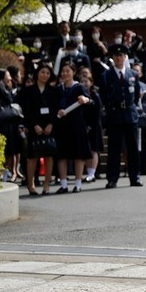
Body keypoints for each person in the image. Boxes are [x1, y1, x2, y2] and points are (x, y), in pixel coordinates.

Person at [100, 44, 144, 188]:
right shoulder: (106, 75)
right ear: (112, 58)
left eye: (121, 55)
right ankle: (112, 178)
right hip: (115, 114)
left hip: (130, 114)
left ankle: (135, 177)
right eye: (115, 56)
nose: (118, 58)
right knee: (114, 148)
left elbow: (136, 94)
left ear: (125, 57)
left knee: (132, 148)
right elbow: (104, 96)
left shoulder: (133, 74)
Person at [18, 63, 58, 195]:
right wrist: (34, 125)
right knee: (32, 157)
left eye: (47, 73)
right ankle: (31, 184)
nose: (45, 75)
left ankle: (46, 184)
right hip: (34, 127)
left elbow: (55, 110)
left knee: (49, 155)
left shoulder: (53, 91)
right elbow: (26, 110)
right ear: (37, 74)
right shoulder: (28, 91)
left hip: (49, 127)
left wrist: (51, 124)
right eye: (42, 72)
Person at [53, 61, 92, 193]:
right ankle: (63, 184)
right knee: (62, 155)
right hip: (62, 125)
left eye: (68, 71)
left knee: (78, 155)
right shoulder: (58, 89)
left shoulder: (79, 87)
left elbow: (89, 100)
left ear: (73, 72)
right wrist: (57, 111)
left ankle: (78, 183)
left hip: (76, 124)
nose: (65, 73)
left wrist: (84, 99)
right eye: (63, 71)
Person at [131, 62, 146, 175]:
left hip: (144, 117)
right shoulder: (128, 84)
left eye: (138, 71)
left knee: (145, 142)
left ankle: (144, 166)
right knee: (135, 143)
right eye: (134, 70)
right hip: (134, 116)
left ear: (140, 74)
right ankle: (136, 166)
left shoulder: (145, 86)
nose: (136, 72)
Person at [80, 72, 103, 183]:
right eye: (82, 81)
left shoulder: (95, 95)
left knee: (94, 150)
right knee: (87, 150)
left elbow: (97, 113)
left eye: (86, 81)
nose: (84, 83)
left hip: (94, 126)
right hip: (83, 126)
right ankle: (89, 172)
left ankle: (92, 173)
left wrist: (90, 126)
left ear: (91, 83)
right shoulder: (80, 96)